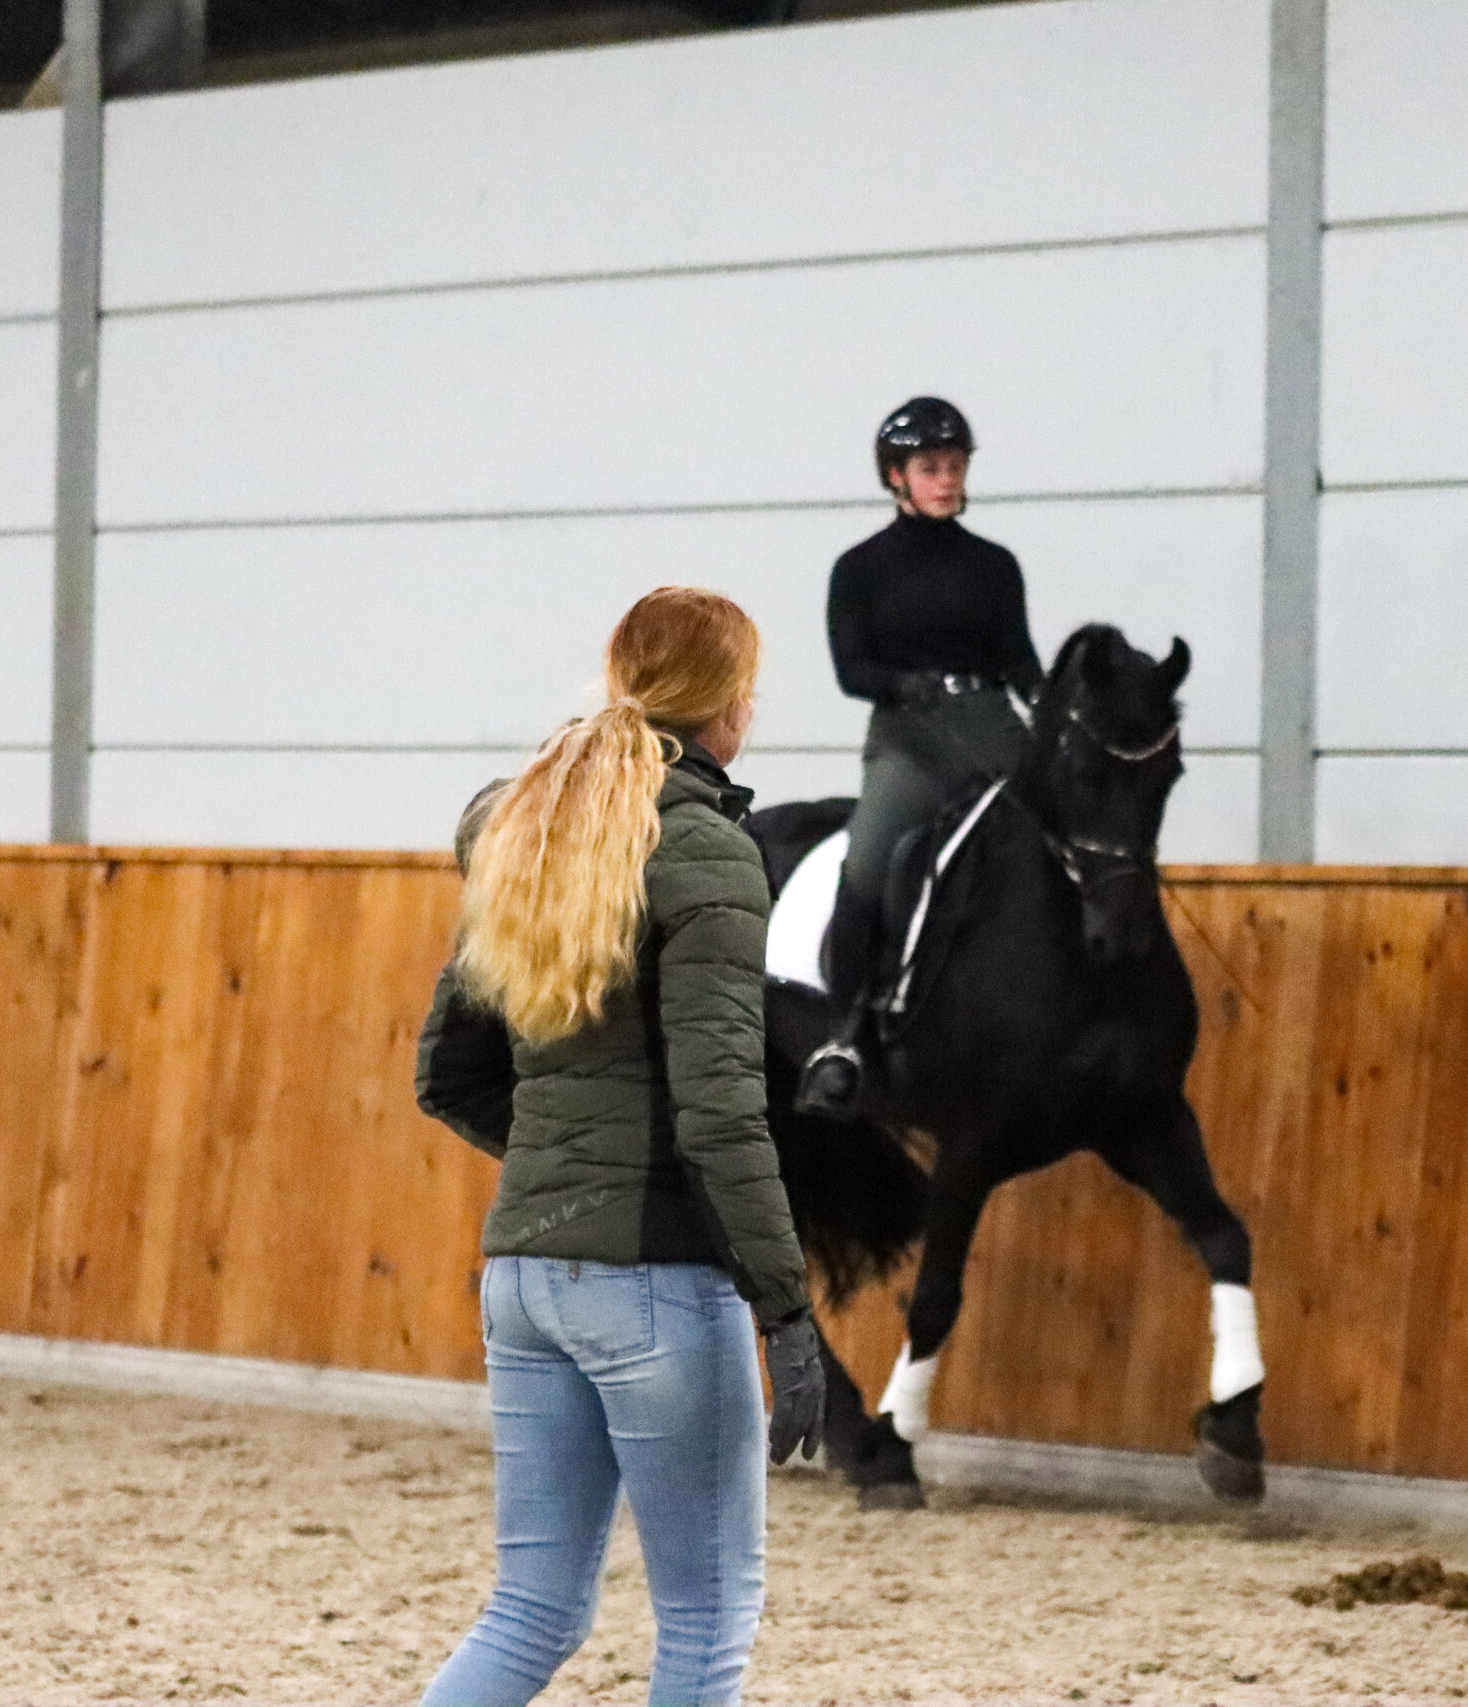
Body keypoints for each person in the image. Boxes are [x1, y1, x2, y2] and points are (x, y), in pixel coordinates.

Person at [412, 586, 825, 1707]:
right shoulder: (707, 854)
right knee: (707, 1616)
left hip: (524, 1277)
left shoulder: (532, 831)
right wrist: (784, 1305)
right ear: (726, 704)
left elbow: (447, 1072)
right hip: (651, 1285)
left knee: (532, 1610)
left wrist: (565, 1176)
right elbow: (720, 1113)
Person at [794, 397, 1043, 1119]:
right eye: (931, 468)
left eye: (955, 466)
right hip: (910, 736)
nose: (946, 479)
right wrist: (909, 685)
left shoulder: (995, 566)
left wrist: (1052, 704)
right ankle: (840, 1039)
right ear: (897, 477)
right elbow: (852, 669)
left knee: (1062, 838)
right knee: (867, 861)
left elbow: (1017, 658)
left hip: (991, 726)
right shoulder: (860, 568)